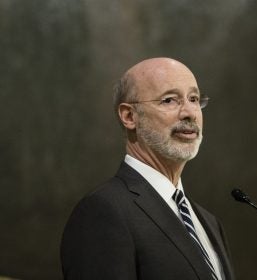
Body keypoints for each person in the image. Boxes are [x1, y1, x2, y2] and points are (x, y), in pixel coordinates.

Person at [60, 57, 235, 280]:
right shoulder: (103, 211)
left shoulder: (209, 222)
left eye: (194, 98)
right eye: (169, 100)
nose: (189, 112)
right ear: (129, 116)